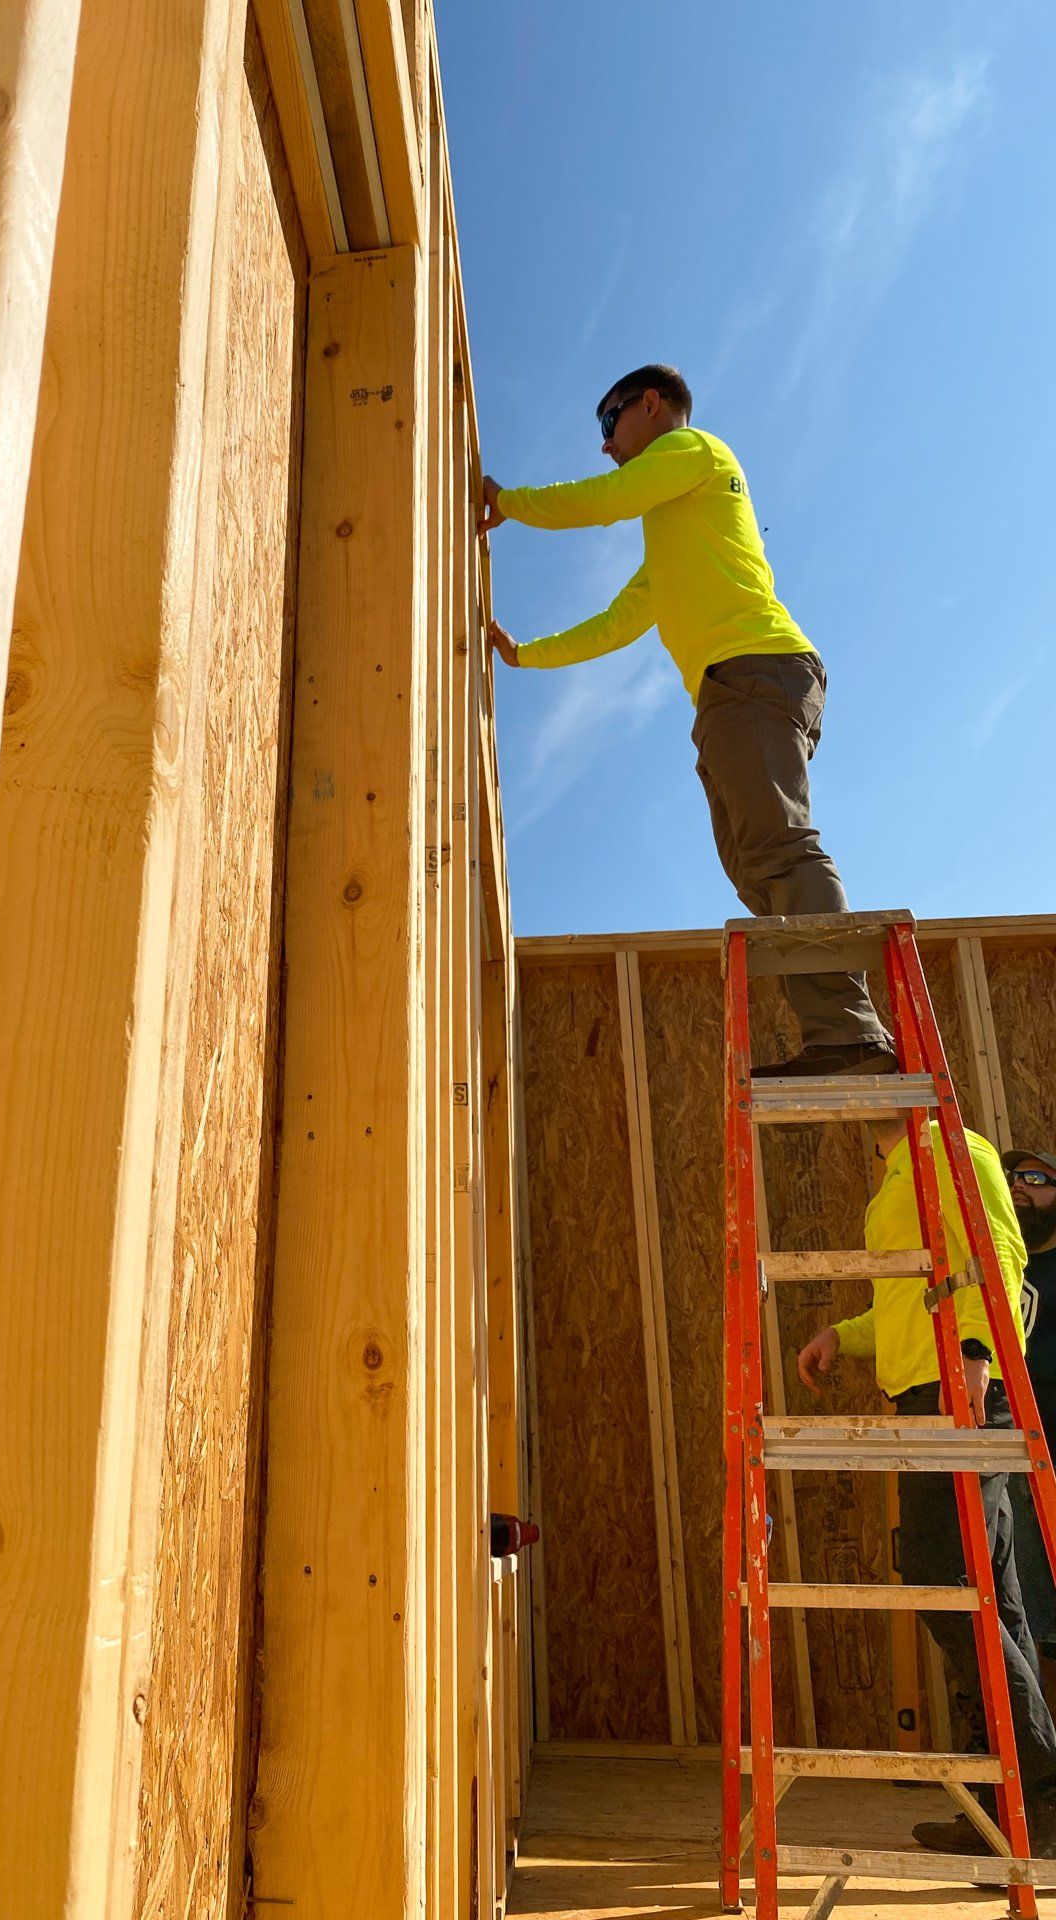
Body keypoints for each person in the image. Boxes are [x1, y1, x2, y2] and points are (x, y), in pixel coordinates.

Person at [478, 363, 894, 1079]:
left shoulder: (691, 452)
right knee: (755, 865)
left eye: (609, 424)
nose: (605, 445)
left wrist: (507, 501)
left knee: (780, 850)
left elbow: (605, 499)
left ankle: (852, 1035)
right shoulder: (674, 519)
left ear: (650, 405)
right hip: (735, 690)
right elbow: (622, 619)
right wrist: (526, 656)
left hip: (754, 671)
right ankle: (836, 1034)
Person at [796, 1118, 1056, 1855]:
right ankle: (1008, 1810)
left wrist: (976, 1353)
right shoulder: (896, 1178)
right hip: (929, 1394)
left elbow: (1001, 1257)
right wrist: (842, 1336)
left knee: (943, 1575)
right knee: (991, 1597)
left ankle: (1040, 1784)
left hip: (960, 1395)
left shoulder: (952, 1149)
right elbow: (912, 1302)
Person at [1004, 1149, 1056, 1673]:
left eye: (1036, 1177)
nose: (1020, 1186)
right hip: (1015, 1462)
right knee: (1026, 1619)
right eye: (1012, 1177)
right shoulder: (1000, 1265)